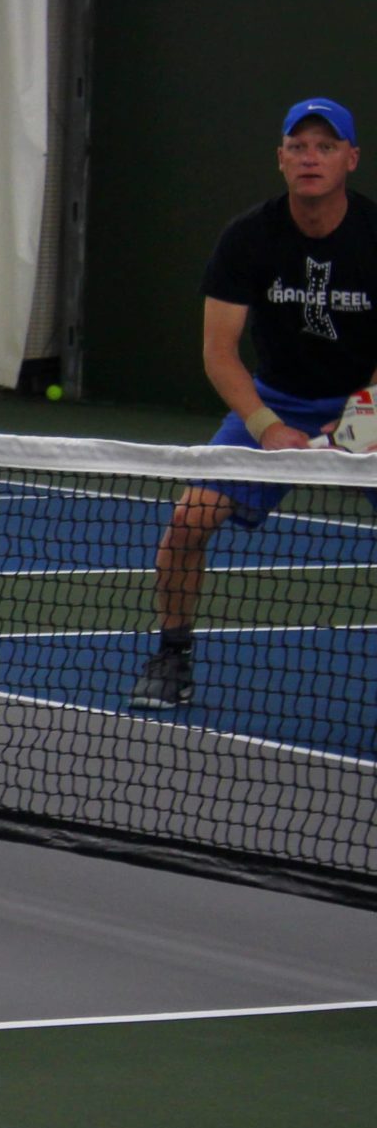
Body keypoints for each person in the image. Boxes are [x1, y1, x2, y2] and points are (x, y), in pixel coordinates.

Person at [130, 97, 376, 710]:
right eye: (298, 146)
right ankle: (172, 655)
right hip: (276, 402)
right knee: (188, 522)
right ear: (280, 160)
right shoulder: (248, 238)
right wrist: (265, 426)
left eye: (324, 147)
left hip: (366, 401)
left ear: (351, 159)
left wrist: (362, 414)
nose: (310, 158)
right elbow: (220, 354)